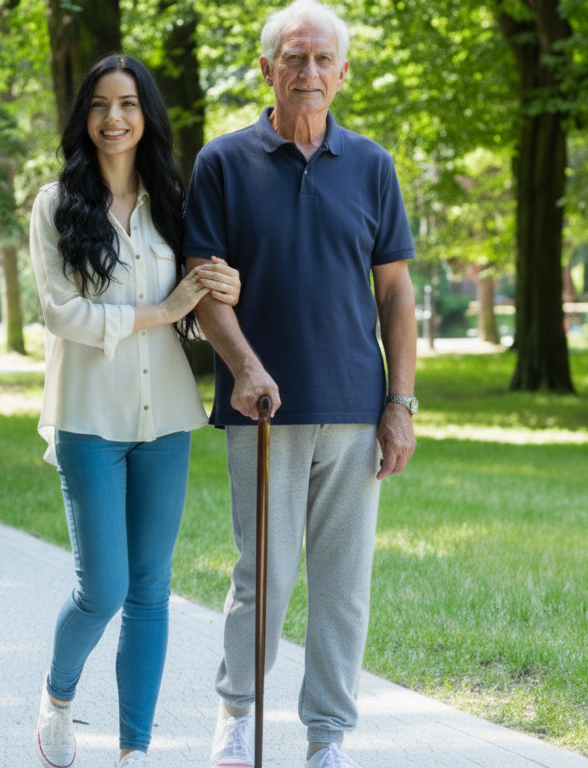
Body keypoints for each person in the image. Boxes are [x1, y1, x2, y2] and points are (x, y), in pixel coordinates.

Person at [182, 2, 419, 766]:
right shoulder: (222, 162)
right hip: (261, 410)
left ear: (342, 73)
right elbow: (203, 287)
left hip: (354, 407)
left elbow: (396, 294)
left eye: (323, 60)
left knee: (343, 588)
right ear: (266, 68)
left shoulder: (373, 166)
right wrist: (245, 367)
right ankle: (235, 715)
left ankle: (326, 738)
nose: (308, 72)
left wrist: (401, 403)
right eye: (293, 58)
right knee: (264, 578)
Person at [29, 54, 243, 768]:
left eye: (127, 104)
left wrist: (223, 288)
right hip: (89, 417)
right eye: (99, 105)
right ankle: (57, 700)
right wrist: (160, 310)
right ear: (82, 116)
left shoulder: (174, 204)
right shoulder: (55, 204)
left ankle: (134, 751)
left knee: (152, 588)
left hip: (165, 421)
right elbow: (64, 315)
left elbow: (199, 304)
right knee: (104, 588)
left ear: (146, 115)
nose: (113, 118)